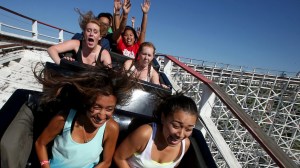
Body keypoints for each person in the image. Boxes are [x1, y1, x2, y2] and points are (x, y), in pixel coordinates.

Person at [34, 63, 136, 168]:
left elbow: (106, 162)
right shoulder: (63, 120)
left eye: (109, 109)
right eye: (97, 107)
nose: (101, 116)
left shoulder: (112, 128)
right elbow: (40, 143)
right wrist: (45, 165)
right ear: (86, 103)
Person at [113, 94, 198, 168]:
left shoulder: (185, 144)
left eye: (188, 129)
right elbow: (119, 157)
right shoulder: (145, 134)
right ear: (163, 118)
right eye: (176, 126)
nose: (181, 135)